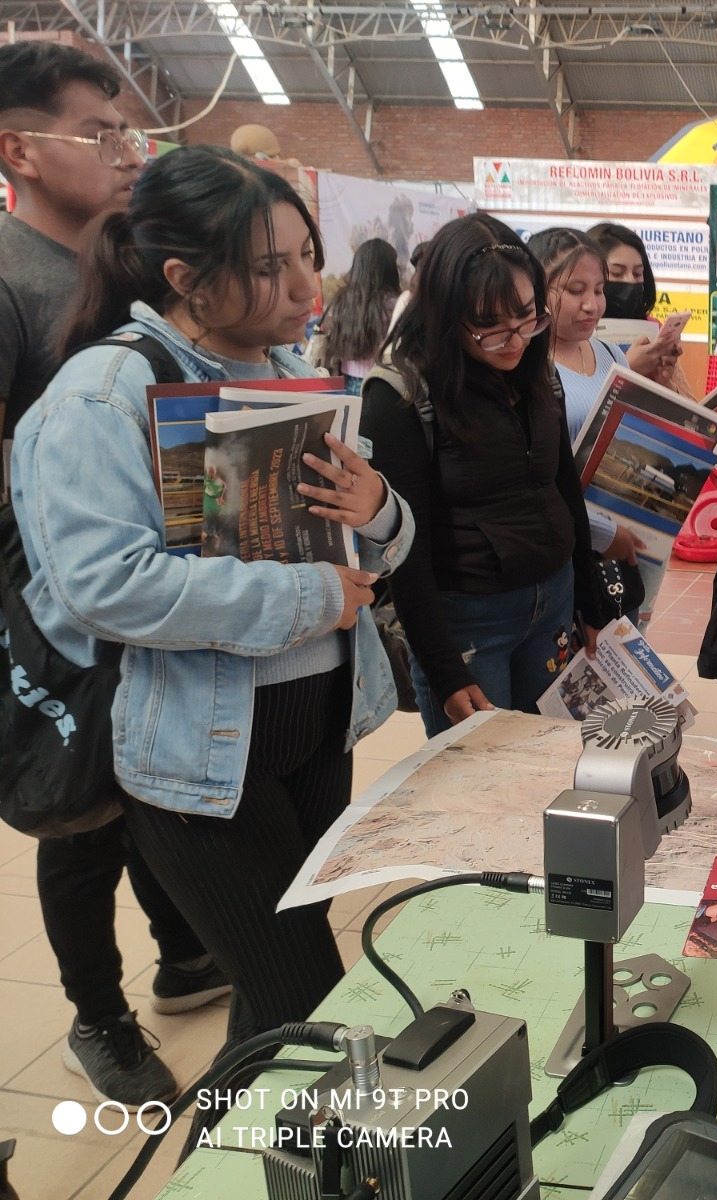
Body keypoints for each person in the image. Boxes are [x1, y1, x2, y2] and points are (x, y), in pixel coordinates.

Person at [11, 144, 413, 1059]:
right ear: (187, 278)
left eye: (307, 254)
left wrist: (380, 512)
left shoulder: (287, 371)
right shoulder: (108, 394)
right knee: (306, 1003)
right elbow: (106, 586)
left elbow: (372, 544)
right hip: (199, 756)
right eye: (269, 267)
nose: (305, 283)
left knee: (274, 1006)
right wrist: (314, 594)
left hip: (313, 733)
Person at [0, 42, 228, 1106]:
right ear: (20, 150)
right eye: (96, 132)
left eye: (123, 129)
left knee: (150, 779)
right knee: (82, 805)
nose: (123, 149)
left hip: (156, 572)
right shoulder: (10, 282)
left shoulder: (123, 259)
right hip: (54, 602)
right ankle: (98, 1016)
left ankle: (185, 952)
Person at [365, 214, 605, 738]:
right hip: (471, 624)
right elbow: (404, 546)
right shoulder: (402, 395)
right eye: (489, 328)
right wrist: (445, 669)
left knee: (556, 759)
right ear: (446, 314)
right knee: (485, 780)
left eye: (527, 318)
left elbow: (563, 486)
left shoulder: (537, 371)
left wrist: (592, 599)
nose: (515, 341)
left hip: (553, 604)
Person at [527, 227, 648, 570]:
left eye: (598, 290)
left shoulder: (611, 355)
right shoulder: (528, 368)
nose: (591, 305)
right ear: (536, 290)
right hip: (568, 547)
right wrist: (601, 533)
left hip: (624, 538)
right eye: (575, 290)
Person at [588, 220, 684, 387]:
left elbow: (685, 404)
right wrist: (628, 370)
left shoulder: (654, 328)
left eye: (637, 273)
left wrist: (663, 381)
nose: (630, 281)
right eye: (617, 273)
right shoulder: (578, 331)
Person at [309, 237, 400, 392]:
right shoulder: (394, 303)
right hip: (382, 381)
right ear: (390, 268)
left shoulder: (341, 301)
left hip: (345, 380)